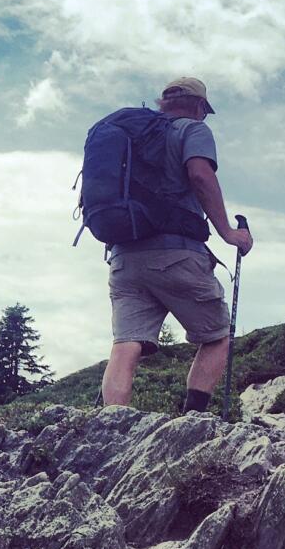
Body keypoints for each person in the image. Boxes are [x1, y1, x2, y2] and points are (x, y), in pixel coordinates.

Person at [100, 77, 253, 411]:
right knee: (217, 336)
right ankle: (191, 421)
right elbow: (200, 175)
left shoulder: (128, 134)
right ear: (199, 106)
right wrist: (229, 232)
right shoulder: (192, 130)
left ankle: (110, 425)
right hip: (176, 253)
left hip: (124, 256)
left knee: (126, 344)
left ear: (161, 102)